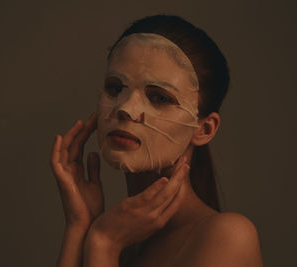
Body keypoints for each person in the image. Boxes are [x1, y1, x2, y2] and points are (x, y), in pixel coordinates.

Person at [50, 15, 263, 267]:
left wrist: (103, 245)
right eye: (116, 88)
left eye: (160, 98)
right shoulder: (122, 234)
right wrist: (80, 226)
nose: (125, 108)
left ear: (204, 129)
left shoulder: (228, 236)